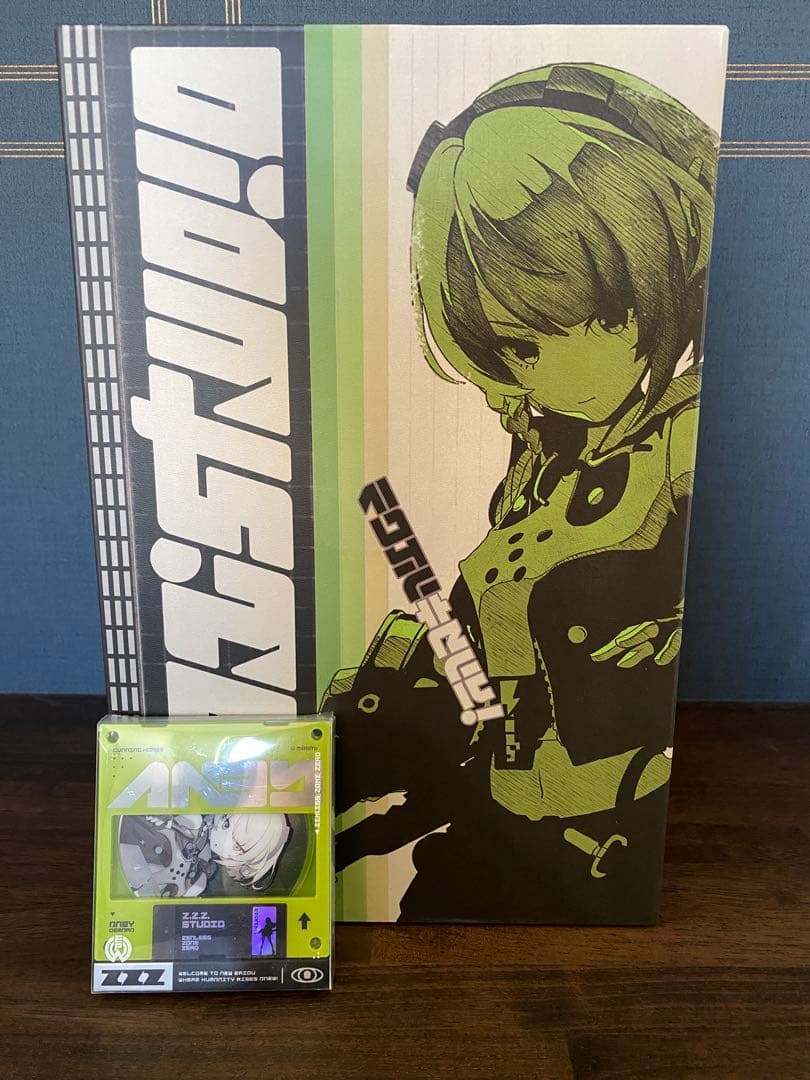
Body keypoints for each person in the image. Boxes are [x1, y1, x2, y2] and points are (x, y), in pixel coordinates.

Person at [325, 63, 719, 922]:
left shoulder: (684, 448)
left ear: (646, 287)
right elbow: (483, 677)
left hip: (615, 851)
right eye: (506, 349)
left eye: (536, 339)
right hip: (492, 827)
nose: (523, 378)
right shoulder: (549, 452)